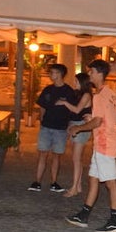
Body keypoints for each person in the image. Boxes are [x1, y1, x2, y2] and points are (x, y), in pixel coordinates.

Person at [66, 59, 116, 232]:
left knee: (111, 183)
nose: (89, 74)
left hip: (105, 143)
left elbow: (98, 122)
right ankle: (84, 214)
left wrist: (78, 128)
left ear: (99, 73)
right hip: (105, 142)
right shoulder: (111, 94)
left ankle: (115, 220)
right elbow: (115, 117)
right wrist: (95, 121)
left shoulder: (98, 96)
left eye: (91, 72)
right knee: (93, 179)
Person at [30, 63, 76, 192]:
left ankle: (54, 182)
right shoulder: (48, 90)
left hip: (60, 127)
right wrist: (41, 119)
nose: (51, 75)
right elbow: (42, 106)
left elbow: (73, 110)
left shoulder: (68, 91)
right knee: (42, 153)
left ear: (60, 74)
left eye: (53, 72)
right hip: (47, 126)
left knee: (57, 155)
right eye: (51, 72)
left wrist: (70, 126)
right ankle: (37, 181)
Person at [60, 71, 94, 198]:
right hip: (74, 125)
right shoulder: (78, 94)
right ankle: (77, 185)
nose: (74, 83)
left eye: (76, 81)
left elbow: (77, 110)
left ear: (82, 82)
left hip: (81, 127)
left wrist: (64, 103)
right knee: (76, 158)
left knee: (76, 158)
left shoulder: (86, 95)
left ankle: (74, 187)